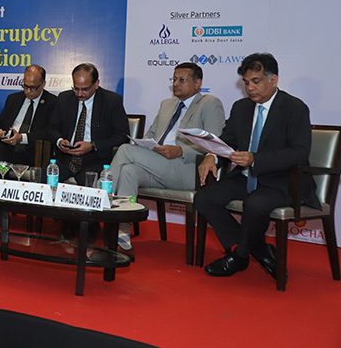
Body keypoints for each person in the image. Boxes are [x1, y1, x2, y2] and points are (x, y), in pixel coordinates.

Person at [195, 53, 317, 280]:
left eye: (256, 81)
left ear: (273, 80)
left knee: (255, 203)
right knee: (204, 198)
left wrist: (255, 159)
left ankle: (240, 256)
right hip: (245, 177)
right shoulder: (241, 107)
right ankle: (259, 250)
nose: (250, 88)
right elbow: (227, 141)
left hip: (283, 181)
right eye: (246, 82)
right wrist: (211, 155)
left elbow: (299, 152)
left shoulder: (294, 108)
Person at [110, 62, 225, 259]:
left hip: (187, 169)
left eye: (182, 80)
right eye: (174, 79)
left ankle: (97, 199)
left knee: (125, 150)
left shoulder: (210, 103)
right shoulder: (167, 104)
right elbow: (151, 134)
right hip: (158, 163)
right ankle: (123, 239)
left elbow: (214, 144)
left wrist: (180, 151)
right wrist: (145, 144)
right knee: (129, 170)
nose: (176, 84)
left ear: (197, 83)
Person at [48, 63, 129, 241]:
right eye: (76, 88)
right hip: (66, 155)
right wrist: (60, 141)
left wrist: (92, 145)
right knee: (47, 179)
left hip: (95, 157)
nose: (79, 94)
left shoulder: (111, 100)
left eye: (84, 89)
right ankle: (68, 222)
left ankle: (89, 225)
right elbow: (52, 128)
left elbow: (122, 136)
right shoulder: (64, 98)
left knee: (88, 181)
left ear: (96, 84)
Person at [0, 65, 58, 227]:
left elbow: (50, 133)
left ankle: (3, 211)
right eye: (25, 86)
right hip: (8, 146)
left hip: (33, 151)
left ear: (43, 84)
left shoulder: (53, 103)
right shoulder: (13, 99)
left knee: (2, 156)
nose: (28, 91)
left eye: (33, 87)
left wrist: (22, 138)